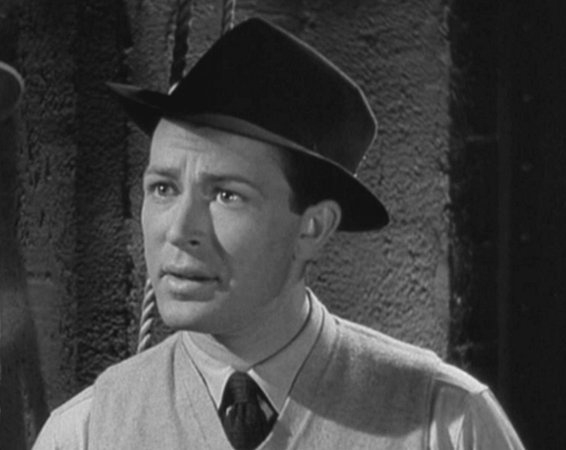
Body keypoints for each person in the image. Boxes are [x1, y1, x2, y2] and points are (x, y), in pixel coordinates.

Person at [33, 18, 524, 450]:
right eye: (163, 188)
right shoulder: (86, 433)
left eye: (226, 195)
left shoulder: (445, 423)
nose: (179, 231)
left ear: (313, 228)